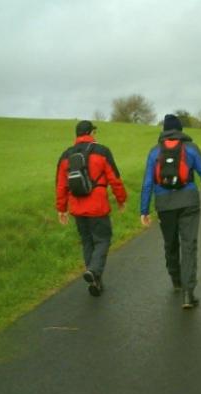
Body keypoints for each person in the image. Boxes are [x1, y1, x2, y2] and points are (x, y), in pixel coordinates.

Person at [140, 114, 201, 309]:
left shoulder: (154, 152)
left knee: (170, 243)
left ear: (164, 131)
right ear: (180, 130)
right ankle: (188, 293)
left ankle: (176, 280)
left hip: (164, 203)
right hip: (188, 200)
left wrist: (144, 210)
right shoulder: (190, 148)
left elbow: (148, 182)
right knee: (189, 245)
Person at [55, 120, 127, 296]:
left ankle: (95, 280)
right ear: (92, 132)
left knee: (87, 242)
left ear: (76, 135)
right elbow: (114, 179)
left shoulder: (66, 155)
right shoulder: (102, 151)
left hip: (77, 207)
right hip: (98, 206)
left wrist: (61, 208)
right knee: (102, 240)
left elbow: (61, 185)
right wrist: (121, 199)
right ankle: (94, 271)